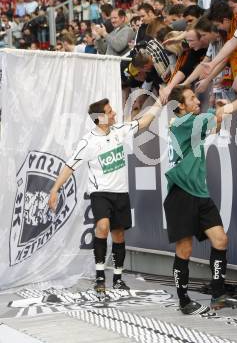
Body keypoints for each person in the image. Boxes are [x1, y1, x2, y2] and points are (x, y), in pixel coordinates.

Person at [165, 82, 237, 314]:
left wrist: (219, 113)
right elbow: (218, 116)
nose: (197, 101)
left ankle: (218, 295)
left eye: (196, 98)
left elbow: (216, 124)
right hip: (181, 193)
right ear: (179, 106)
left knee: (220, 240)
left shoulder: (190, 123)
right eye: (192, 99)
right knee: (184, 250)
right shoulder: (181, 122)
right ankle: (183, 300)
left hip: (200, 192)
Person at [48, 98, 162, 294]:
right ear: (100, 118)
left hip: (121, 193)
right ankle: (100, 277)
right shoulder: (88, 142)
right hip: (100, 193)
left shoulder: (119, 131)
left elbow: (143, 122)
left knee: (118, 234)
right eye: (110, 112)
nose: (114, 114)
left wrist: (160, 102)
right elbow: (69, 166)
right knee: (102, 226)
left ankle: (117, 278)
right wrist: (54, 189)